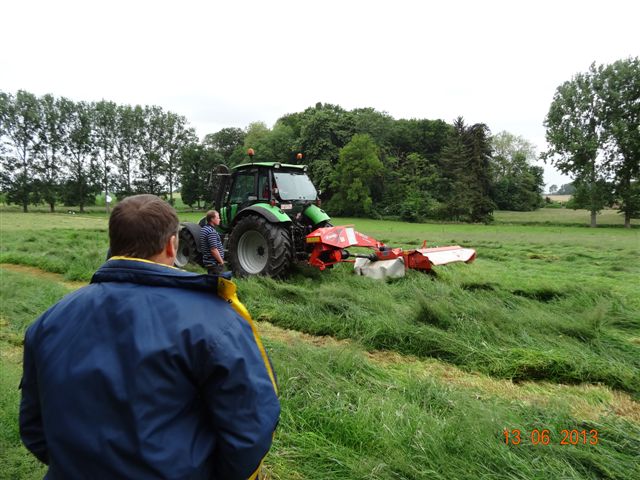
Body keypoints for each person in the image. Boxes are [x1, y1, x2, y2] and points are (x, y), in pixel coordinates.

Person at [19, 194, 280, 479]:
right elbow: (252, 428)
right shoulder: (218, 321)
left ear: (114, 244)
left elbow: (34, 429)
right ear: (171, 245)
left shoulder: (47, 322)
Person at [201, 209, 225, 274]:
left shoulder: (204, 229)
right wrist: (221, 262)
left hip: (209, 262)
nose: (220, 219)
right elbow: (213, 249)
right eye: (218, 218)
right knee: (218, 282)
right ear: (212, 219)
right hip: (214, 263)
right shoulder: (211, 232)